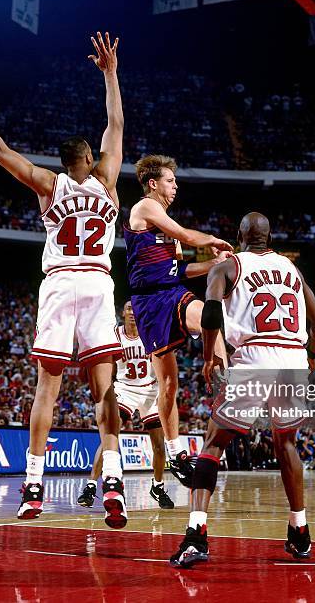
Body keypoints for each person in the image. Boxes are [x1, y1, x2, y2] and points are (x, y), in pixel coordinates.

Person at [0, 31, 128, 528]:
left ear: (62, 163)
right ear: (89, 159)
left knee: (47, 388)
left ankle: (32, 486)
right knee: (103, 390)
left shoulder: (48, 185)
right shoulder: (108, 180)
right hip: (97, 283)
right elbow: (116, 121)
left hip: (59, 283)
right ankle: (112, 480)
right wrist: (109, 72)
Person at [169, 212, 315, 568]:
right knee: (286, 442)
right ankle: (299, 530)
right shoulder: (292, 271)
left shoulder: (228, 266)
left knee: (213, 442)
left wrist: (211, 355)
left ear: (239, 235)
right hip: (292, 361)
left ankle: (196, 535)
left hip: (255, 356)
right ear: (269, 236)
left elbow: (210, 311)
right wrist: (311, 356)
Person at [124, 155, 233, 487]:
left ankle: (230, 388)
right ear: (154, 184)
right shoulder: (144, 208)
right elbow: (186, 234)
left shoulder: (164, 224)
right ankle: (175, 452)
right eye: (171, 180)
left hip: (171, 291)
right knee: (168, 385)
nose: (176, 185)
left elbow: (182, 270)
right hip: (149, 302)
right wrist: (211, 240)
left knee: (208, 315)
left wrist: (214, 264)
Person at [77, 302, 175, 510]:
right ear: (122, 312)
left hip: (150, 391)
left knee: (159, 445)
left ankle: (157, 487)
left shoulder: (151, 332)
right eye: (128, 308)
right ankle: (91, 485)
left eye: (135, 309)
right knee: (109, 437)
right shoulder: (115, 335)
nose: (132, 312)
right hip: (124, 390)